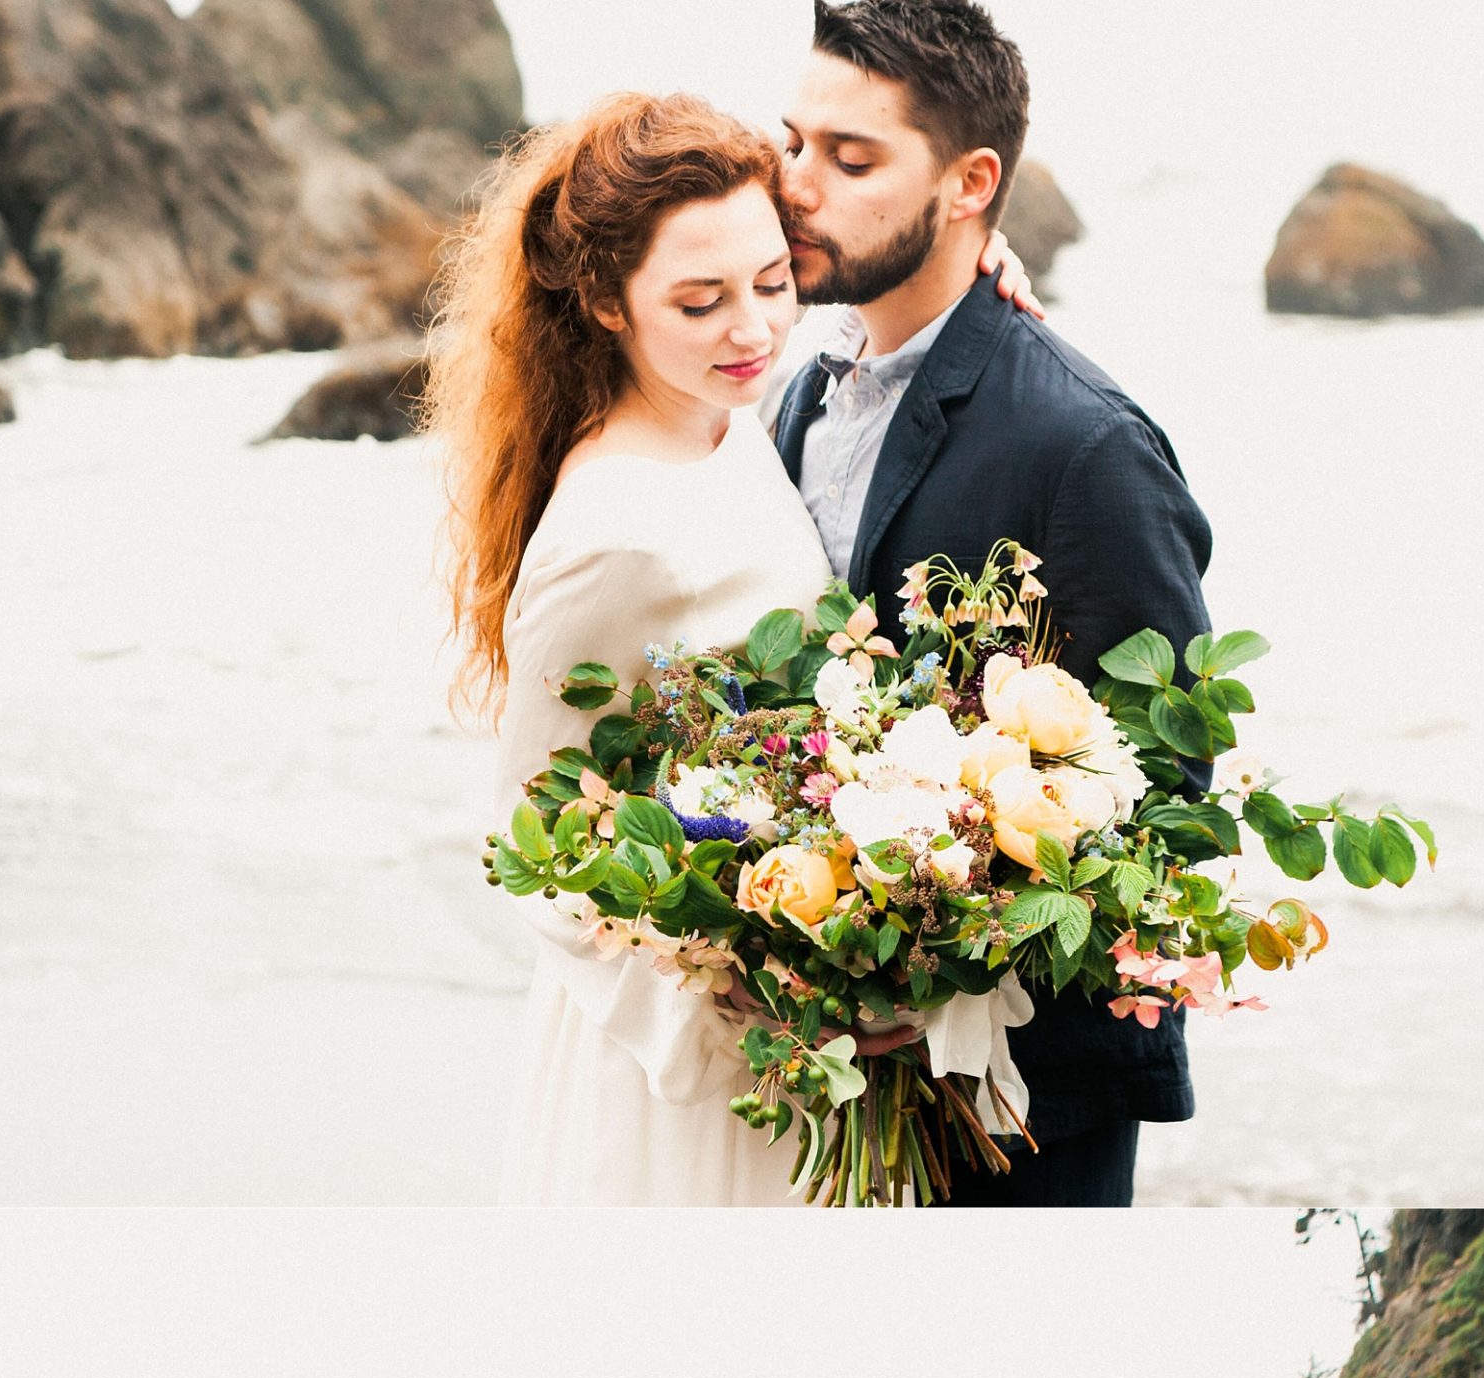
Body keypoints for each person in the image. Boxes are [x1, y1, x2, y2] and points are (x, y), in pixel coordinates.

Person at [427, 93, 1035, 1207]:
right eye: (699, 302)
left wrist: (983, 268)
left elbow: (873, 335)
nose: (753, 330)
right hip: (696, 1081)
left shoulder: (730, 412)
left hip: (813, 1042)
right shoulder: (609, 534)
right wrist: (740, 1017)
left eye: (772, 282)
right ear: (606, 302)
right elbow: (534, 839)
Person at [776, 0, 1217, 1209]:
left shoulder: (1086, 449)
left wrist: (943, 990)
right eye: (795, 143)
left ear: (970, 184)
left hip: (1022, 1115)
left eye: (851, 158)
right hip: (827, 1101)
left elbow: (1167, 795)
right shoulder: (798, 401)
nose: (796, 183)